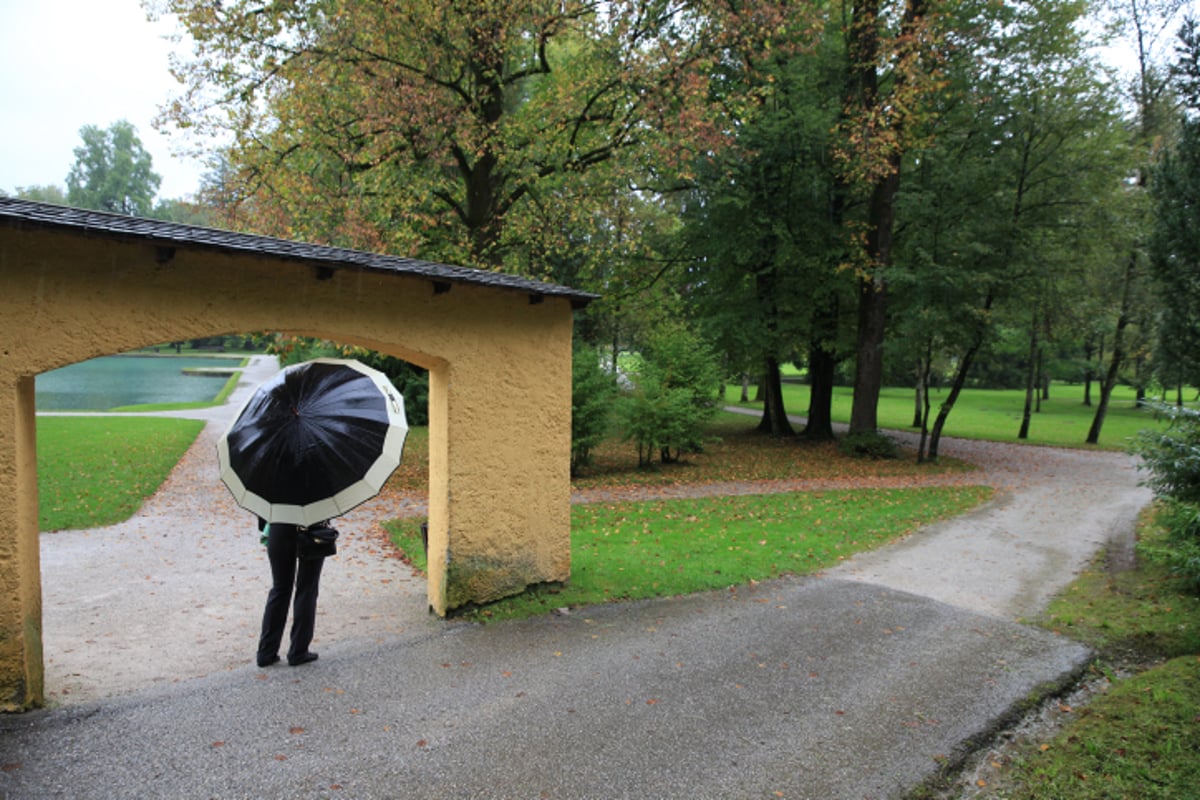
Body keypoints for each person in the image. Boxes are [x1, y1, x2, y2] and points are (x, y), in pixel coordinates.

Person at [256, 518, 325, 667]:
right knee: (307, 589)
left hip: (278, 527)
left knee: (280, 589)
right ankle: (298, 651)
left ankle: (266, 652)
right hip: (312, 529)